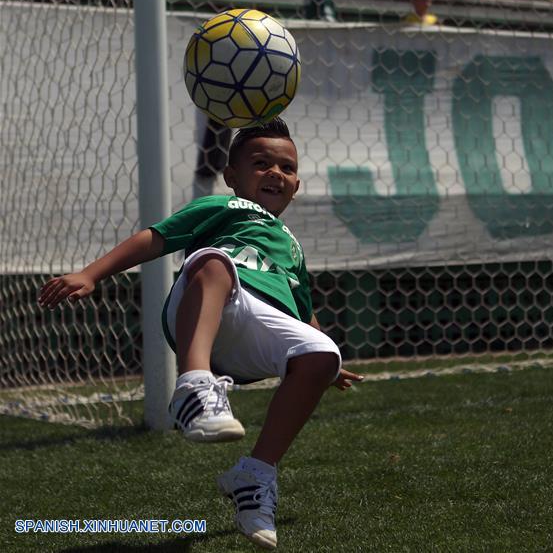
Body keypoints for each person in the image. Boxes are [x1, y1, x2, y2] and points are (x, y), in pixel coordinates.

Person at [38, 117, 363, 549]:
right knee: (214, 262)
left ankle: (255, 476)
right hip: (200, 310)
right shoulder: (225, 208)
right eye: (261, 163)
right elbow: (153, 239)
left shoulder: (291, 244)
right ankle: (194, 382)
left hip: (254, 334)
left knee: (324, 352)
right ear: (231, 176)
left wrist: (324, 365)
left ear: (297, 184)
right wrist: (91, 273)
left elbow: (303, 310)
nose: (275, 173)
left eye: (286, 168)